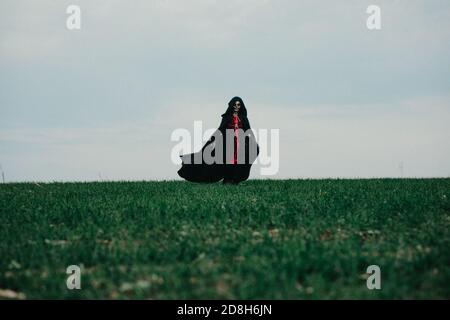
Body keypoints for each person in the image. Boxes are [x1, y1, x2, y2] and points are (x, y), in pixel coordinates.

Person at [177, 96, 259, 184]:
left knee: (240, 162)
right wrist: (211, 141)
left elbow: (248, 131)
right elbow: (220, 130)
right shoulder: (227, 117)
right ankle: (228, 179)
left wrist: (253, 142)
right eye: (235, 104)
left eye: (238, 105)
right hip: (228, 143)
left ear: (241, 106)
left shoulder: (243, 118)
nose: (236, 106)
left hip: (241, 143)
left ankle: (235, 179)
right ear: (231, 105)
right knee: (227, 162)